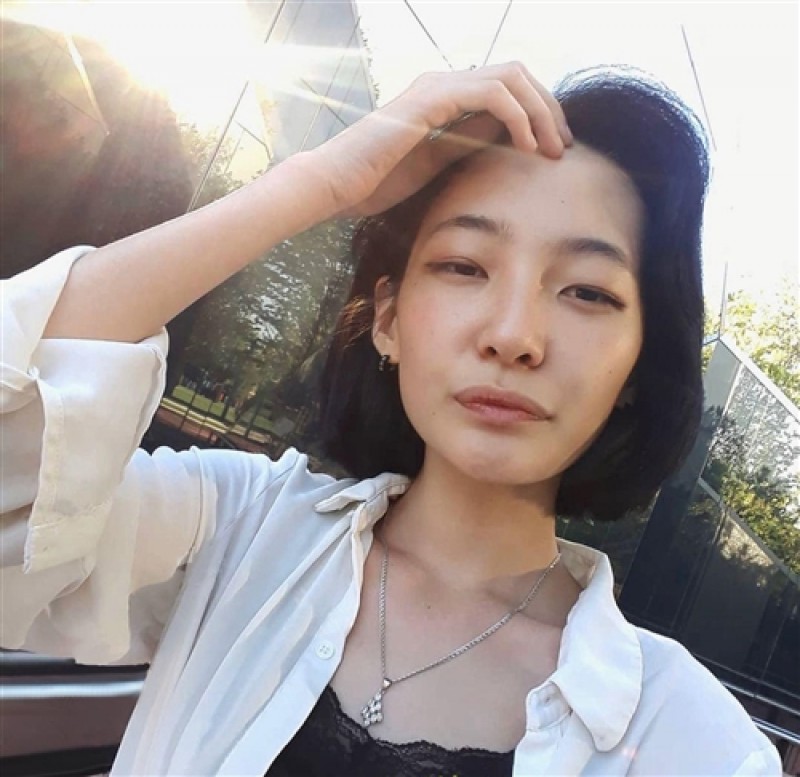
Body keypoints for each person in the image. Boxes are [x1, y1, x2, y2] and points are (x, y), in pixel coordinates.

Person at [1, 63, 783, 775]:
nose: (513, 334)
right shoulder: (234, 529)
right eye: (464, 265)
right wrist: (315, 184)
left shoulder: (691, 742)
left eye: (586, 291)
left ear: (637, 369)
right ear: (387, 319)